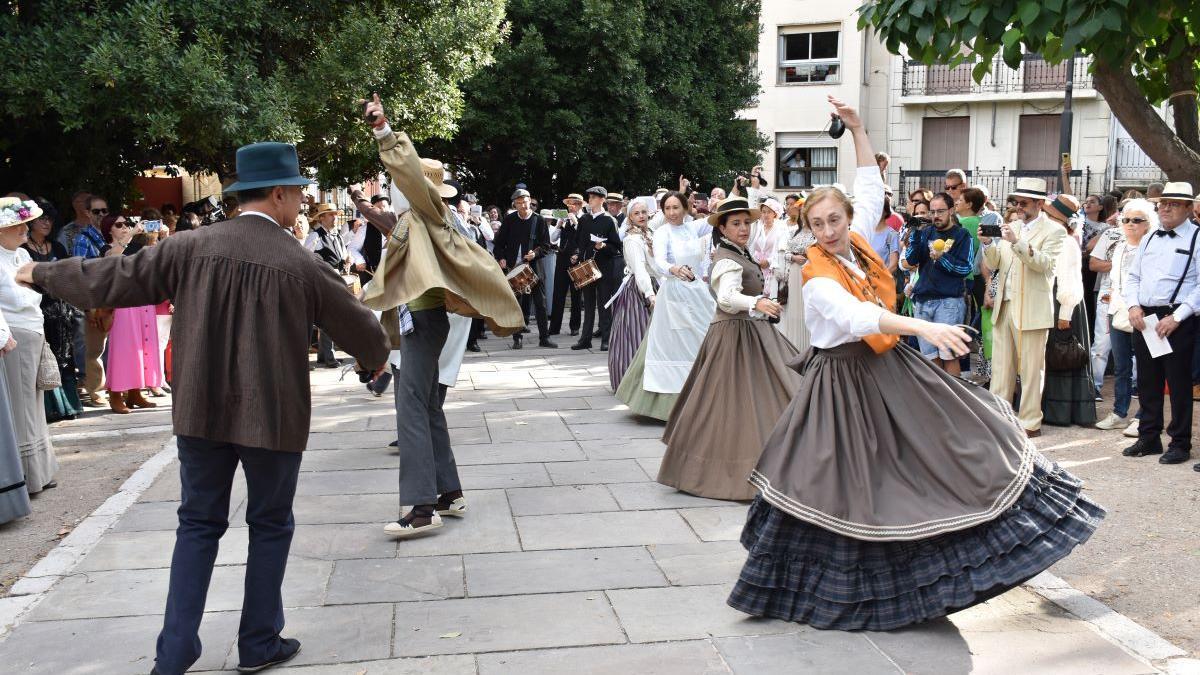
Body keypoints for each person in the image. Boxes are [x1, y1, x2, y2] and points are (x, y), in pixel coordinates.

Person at [728, 96, 1105, 632]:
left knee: (960, 432)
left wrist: (858, 128)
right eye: (819, 223)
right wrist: (926, 327)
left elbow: (867, 186)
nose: (829, 228)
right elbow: (858, 317)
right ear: (807, 227)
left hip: (884, 368)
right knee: (847, 479)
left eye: (835, 218)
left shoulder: (855, 244)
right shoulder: (815, 276)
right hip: (841, 380)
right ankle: (822, 584)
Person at [20, 142, 389, 675]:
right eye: (299, 195)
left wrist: (40, 274)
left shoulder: (188, 247)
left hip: (199, 412)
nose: (301, 205)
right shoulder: (299, 261)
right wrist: (374, 361)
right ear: (281, 194)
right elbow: (361, 328)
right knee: (269, 524)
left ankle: (173, 654)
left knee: (197, 524)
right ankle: (259, 643)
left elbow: (114, 277)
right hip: (273, 417)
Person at [359, 94, 523, 536]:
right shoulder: (417, 220)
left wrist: (383, 132)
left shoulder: (425, 208)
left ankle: (421, 508)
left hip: (425, 322)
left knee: (410, 407)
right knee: (427, 405)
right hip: (426, 322)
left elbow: (407, 170)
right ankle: (449, 494)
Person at [656, 195, 803, 501]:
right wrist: (756, 302)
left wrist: (761, 306)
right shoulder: (726, 257)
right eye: (736, 224)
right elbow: (726, 297)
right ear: (722, 229)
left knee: (766, 393)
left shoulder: (740, 252)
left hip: (750, 331)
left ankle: (779, 462)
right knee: (727, 404)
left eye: (746, 223)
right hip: (733, 335)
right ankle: (718, 470)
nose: (743, 228)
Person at [616, 192, 714, 420]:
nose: (672, 213)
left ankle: (705, 399)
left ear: (685, 208)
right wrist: (673, 269)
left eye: (676, 207)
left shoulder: (694, 227)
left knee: (704, 340)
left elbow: (720, 218)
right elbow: (659, 261)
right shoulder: (661, 233)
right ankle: (672, 406)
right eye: (667, 208)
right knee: (678, 344)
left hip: (697, 293)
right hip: (674, 293)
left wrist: (742, 191)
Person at [1121, 182, 1200, 468]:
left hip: (1177, 319)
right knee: (1147, 381)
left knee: (1178, 385)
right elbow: (1134, 277)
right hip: (1146, 318)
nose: (1165, 207)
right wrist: (1132, 305)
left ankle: (1180, 443)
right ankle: (1149, 436)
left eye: (1174, 203)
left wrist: (1177, 317)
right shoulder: (1151, 236)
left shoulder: (1197, 238)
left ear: (1189, 209)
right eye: (1163, 202)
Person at [980, 177, 1066, 438]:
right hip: (1004, 306)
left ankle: (1030, 422)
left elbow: (1045, 265)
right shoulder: (1011, 225)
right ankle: (999, 419)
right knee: (1001, 369)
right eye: (1015, 202)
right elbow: (996, 264)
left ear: (1040, 203)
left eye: (1024, 203)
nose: (1018, 207)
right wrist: (987, 243)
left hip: (1032, 307)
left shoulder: (1055, 231)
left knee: (1030, 369)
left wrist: (1016, 241)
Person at [0, 198, 60, 494]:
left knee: (35, 403)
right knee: (21, 406)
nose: (24, 228)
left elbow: (33, 293)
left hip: (33, 329)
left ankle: (42, 471)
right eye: (15, 225)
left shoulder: (22, 254)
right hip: (14, 334)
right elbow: (11, 300)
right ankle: (26, 478)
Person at [22, 206, 84, 422]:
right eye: (41, 219)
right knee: (43, 359)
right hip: (37, 309)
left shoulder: (56, 246)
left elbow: (68, 274)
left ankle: (69, 406)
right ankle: (50, 409)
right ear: (30, 223)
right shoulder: (22, 249)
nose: (46, 223)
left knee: (66, 357)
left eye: (49, 219)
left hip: (60, 309)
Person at [901, 192, 974, 374]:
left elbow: (966, 269)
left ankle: (953, 400)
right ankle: (938, 400)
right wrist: (916, 234)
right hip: (923, 301)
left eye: (940, 211)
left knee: (949, 356)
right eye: (932, 212)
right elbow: (910, 260)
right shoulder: (925, 232)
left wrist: (943, 259)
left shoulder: (962, 235)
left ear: (951, 210)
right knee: (930, 358)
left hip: (949, 302)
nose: (935, 216)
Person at [1040, 195, 1097, 426]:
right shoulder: (1054, 238)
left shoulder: (1066, 242)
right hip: (1052, 299)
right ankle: (1051, 409)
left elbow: (1070, 279)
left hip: (1064, 302)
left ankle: (1063, 411)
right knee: (1053, 353)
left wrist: (1064, 314)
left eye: (1049, 214)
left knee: (1063, 352)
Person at [1096, 199, 1153, 431]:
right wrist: (1111, 309)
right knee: (1121, 367)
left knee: (1147, 368)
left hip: (1144, 313)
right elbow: (1116, 282)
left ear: (1148, 223)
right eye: (1126, 220)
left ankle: (1142, 416)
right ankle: (1120, 412)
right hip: (1117, 311)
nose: (1130, 224)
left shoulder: (1152, 247)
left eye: (1137, 220)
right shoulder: (1119, 247)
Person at [104, 227, 166, 414]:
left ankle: (134, 393)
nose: (155, 242)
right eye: (153, 239)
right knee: (124, 350)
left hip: (144, 303)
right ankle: (115, 394)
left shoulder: (150, 253)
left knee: (143, 349)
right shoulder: (120, 249)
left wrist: (165, 236)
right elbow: (110, 260)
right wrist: (130, 235)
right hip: (125, 304)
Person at [494, 189, 556, 349]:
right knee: (518, 304)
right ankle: (517, 337)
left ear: (530, 201)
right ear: (514, 204)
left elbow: (546, 246)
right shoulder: (509, 220)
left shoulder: (539, 220)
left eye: (525, 201)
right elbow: (499, 244)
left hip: (534, 267)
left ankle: (544, 338)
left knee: (540, 304)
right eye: (519, 202)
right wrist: (501, 258)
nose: (523, 205)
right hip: (515, 267)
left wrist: (534, 253)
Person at [607, 200, 656, 390]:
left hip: (654, 284)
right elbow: (640, 271)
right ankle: (633, 382)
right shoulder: (632, 240)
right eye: (637, 213)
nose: (641, 216)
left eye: (644, 212)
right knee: (638, 334)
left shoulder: (649, 234)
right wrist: (650, 294)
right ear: (630, 217)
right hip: (639, 290)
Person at [70, 195, 113, 407]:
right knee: (94, 350)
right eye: (97, 211)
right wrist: (88, 308)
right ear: (87, 213)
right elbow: (79, 273)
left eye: (105, 211)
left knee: (114, 348)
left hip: (114, 299)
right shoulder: (82, 238)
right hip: (94, 300)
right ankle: (96, 390)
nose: (102, 215)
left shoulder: (111, 235)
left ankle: (116, 389)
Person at [569, 186, 622, 351]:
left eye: (593, 197)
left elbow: (617, 247)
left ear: (602, 200)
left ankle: (606, 340)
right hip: (586, 267)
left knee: (604, 304)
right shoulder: (584, 219)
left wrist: (603, 246)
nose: (590, 200)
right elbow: (578, 242)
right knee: (589, 304)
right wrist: (577, 254)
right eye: (589, 197)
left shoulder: (609, 220)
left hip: (604, 268)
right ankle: (585, 339)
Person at [779, 207, 816, 353]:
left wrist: (807, 260)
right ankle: (794, 346)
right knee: (793, 308)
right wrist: (794, 257)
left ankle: (807, 346)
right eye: (801, 213)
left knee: (806, 307)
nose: (803, 216)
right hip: (794, 273)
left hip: (808, 273)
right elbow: (784, 253)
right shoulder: (794, 231)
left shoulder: (816, 234)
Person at [550, 193, 584, 337]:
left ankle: (575, 327)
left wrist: (576, 222)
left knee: (576, 295)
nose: (571, 206)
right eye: (569, 203)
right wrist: (559, 224)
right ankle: (554, 327)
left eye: (574, 203)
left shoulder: (584, 219)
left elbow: (584, 237)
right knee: (558, 293)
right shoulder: (564, 219)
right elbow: (553, 240)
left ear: (580, 205)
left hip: (577, 259)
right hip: (562, 258)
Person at [750, 198, 789, 300]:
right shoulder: (758, 227)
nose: (766, 215)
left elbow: (781, 249)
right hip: (757, 265)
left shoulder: (780, 228)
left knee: (770, 293)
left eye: (769, 212)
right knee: (757, 292)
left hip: (771, 265)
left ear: (775, 214)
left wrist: (768, 261)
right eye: (763, 212)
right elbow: (753, 246)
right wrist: (755, 260)